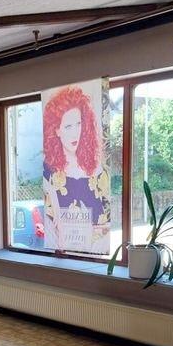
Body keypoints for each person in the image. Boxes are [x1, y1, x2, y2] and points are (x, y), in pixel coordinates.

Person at [42, 85, 110, 253]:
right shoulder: (49, 171)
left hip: (95, 252)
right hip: (63, 251)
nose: (75, 133)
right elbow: (51, 221)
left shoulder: (97, 170)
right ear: (57, 130)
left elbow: (106, 218)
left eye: (78, 124)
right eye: (68, 126)